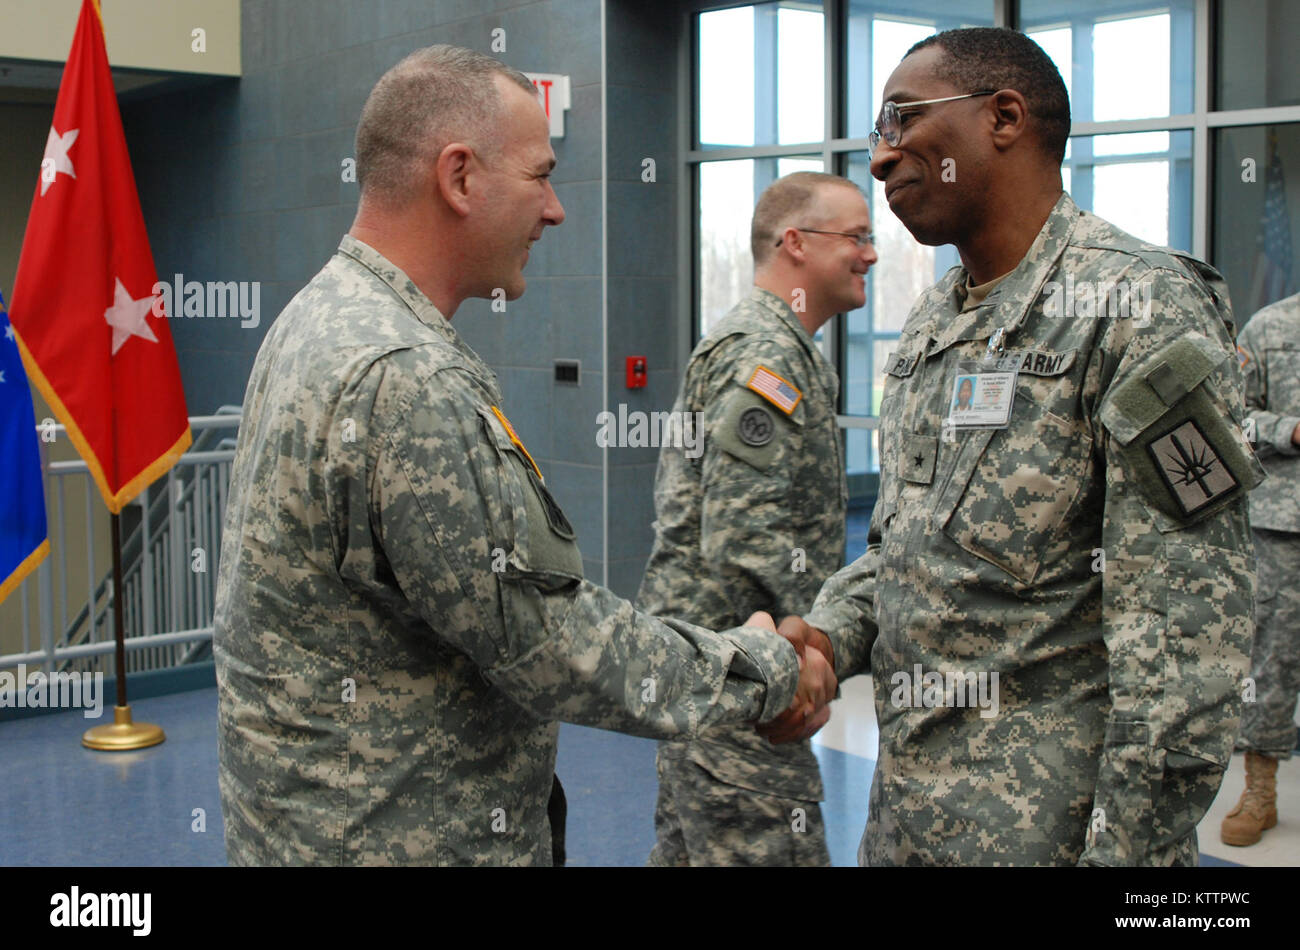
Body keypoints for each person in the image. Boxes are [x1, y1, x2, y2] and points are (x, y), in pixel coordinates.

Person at [211, 45, 835, 866]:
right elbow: (550, 642)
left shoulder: (320, 316)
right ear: (460, 177)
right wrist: (765, 670)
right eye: (540, 176)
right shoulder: (405, 376)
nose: (556, 210)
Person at [773, 26, 1265, 865]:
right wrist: (827, 636)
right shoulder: (937, 321)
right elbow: (909, 547)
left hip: (1056, 840)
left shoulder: (1137, 308)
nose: (882, 157)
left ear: (1003, 116)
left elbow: (1186, 648)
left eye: (901, 119)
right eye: (876, 135)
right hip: (906, 827)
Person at [638, 172, 876, 866]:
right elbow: (744, 538)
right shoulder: (764, 354)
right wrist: (800, 663)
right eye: (856, 238)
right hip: (742, 678)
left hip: (710, 668)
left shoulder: (775, 345)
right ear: (794, 243)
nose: (868, 255)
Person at [1220, 290, 1300, 847]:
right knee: (1271, 660)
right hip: (1284, 526)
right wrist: (1289, 432)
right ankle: (1260, 792)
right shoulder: (1271, 327)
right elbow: (1230, 419)